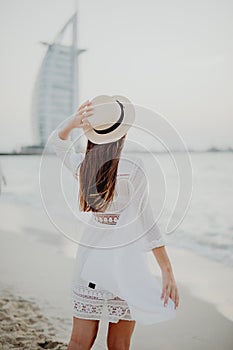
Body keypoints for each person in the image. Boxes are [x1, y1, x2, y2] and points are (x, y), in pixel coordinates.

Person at [50, 95, 179, 350]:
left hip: (89, 265)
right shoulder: (133, 168)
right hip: (126, 268)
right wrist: (167, 270)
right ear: (122, 134)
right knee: (119, 345)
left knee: (78, 341)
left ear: (92, 135)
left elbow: (58, 143)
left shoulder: (83, 167)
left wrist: (72, 123)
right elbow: (147, 223)